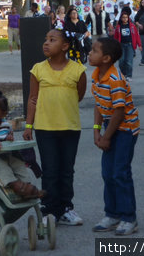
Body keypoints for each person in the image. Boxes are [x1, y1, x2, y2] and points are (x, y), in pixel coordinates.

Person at [23, 28, 87, 225]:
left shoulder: (78, 70)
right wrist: (28, 125)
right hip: (45, 128)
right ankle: (49, 210)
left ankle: (66, 208)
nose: (46, 43)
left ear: (65, 46)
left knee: (66, 170)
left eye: (52, 40)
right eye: (45, 39)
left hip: (70, 128)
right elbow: (32, 99)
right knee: (50, 170)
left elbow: (79, 95)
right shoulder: (38, 69)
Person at [89, 38, 140, 236]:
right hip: (110, 127)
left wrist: (107, 137)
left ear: (106, 58)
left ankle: (129, 217)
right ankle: (112, 214)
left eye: (94, 51)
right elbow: (99, 104)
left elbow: (119, 112)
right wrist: (96, 130)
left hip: (125, 129)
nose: (89, 53)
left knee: (120, 173)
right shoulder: (96, 75)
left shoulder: (115, 79)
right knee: (108, 173)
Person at [0, 92, 45, 199]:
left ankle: (28, 187)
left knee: (19, 165)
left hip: (8, 154)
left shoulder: (5, 124)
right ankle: (17, 187)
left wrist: (9, 138)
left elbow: (8, 135)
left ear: (3, 114)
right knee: (3, 169)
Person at [113, 11, 141, 78]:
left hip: (129, 45)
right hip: (121, 45)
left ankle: (129, 75)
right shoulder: (118, 27)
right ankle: (124, 74)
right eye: (123, 17)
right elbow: (115, 37)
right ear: (121, 18)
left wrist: (139, 45)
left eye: (126, 17)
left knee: (129, 62)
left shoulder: (132, 26)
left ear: (128, 18)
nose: (125, 19)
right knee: (121, 62)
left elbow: (136, 36)